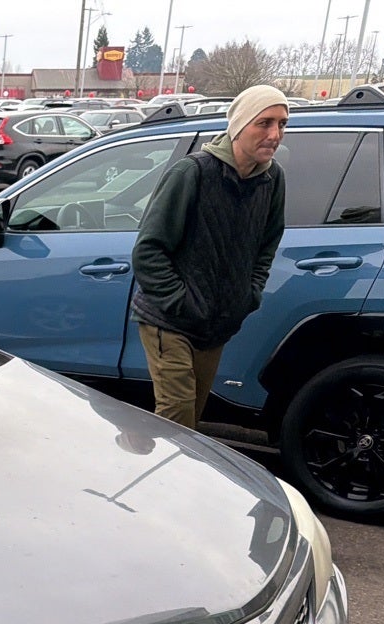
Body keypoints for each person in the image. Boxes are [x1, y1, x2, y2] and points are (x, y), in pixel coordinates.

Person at [131, 85, 289, 429]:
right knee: (177, 415)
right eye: (264, 123)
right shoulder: (193, 173)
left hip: (217, 324)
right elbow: (148, 250)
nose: (275, 134)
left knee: (193, 419)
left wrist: (247, 295)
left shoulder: (272, 179)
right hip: (170, 320)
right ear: (239, 126)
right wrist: (182, 302)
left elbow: (267, 244)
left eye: (282, 124)